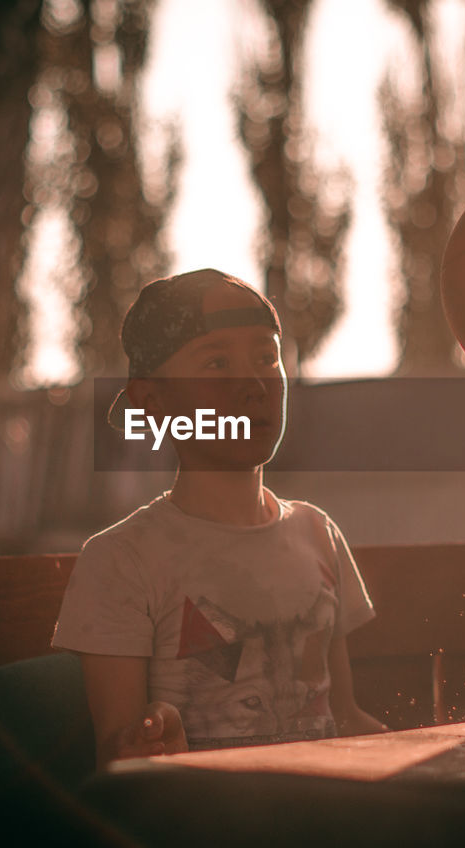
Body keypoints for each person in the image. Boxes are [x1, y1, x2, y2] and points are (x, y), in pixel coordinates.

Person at [52, 268, 387, 768]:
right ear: (153, 402)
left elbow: (343, 717)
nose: (252, 383)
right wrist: (149, 744)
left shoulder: (319, 534)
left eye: (266, 357)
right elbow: (119, 760)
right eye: (215, 362)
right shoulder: (121, 560)